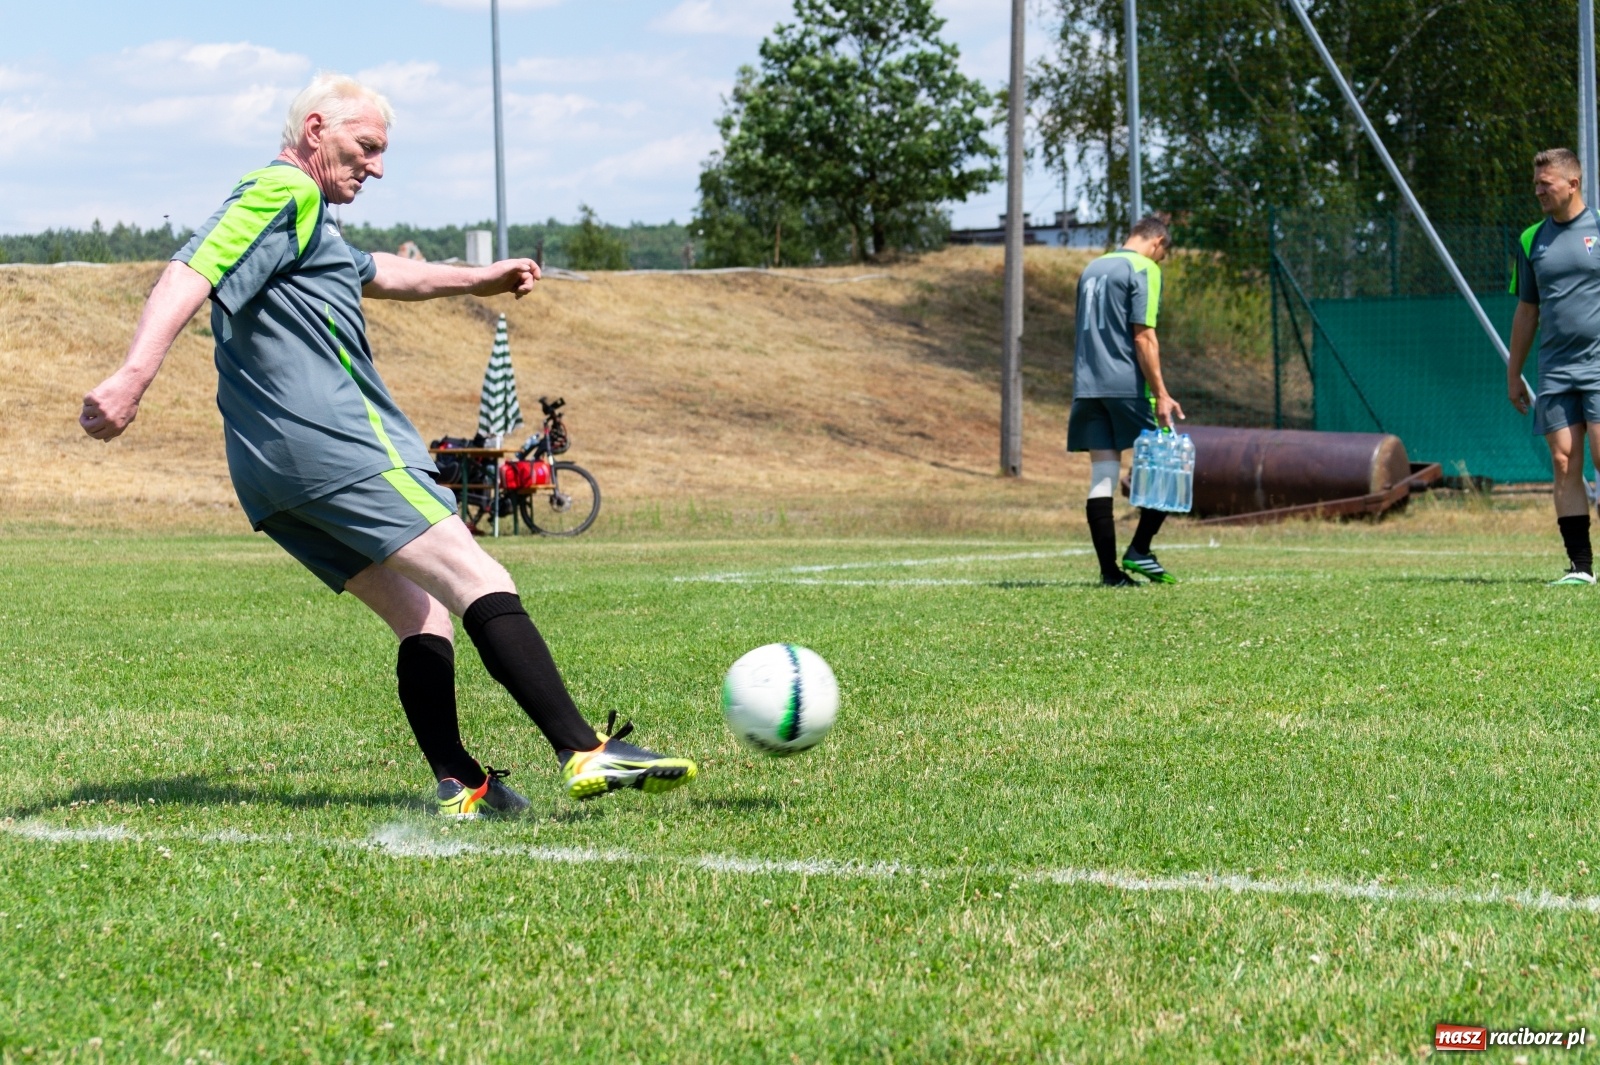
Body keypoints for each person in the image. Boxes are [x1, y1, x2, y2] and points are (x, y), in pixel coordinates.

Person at [78, 73, 696, 816]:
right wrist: (132, 375)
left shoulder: (309, 224)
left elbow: (384, 272)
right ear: (315, 131)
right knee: (474, 571)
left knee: (423, 613)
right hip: (338, 445)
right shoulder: (284, 193)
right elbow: (190, 269)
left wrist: (481, 278)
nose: (376, 166)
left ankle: (461, 784)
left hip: (271, 473)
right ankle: (583, 748)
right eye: (365, 147)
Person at [1066, 215, 1184, 586]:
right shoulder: (1143, 267)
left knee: (1102, 476)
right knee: (1170, 467)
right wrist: (1162, 394)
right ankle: (1140, 550)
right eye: (1162, 254)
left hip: (1088, 386)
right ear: (1157, 242)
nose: (1160, 260)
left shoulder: (1092, 267)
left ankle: (1110, 574)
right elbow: (1143, 337)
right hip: (1127, 387)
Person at [1508, 148, 1600, 586]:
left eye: (1546, 183)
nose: (1539, 190)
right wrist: (1514, 373)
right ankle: (1581, 568)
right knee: (1564, 463)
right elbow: (1527, 311)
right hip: (1556, 370)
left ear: (1572, 183)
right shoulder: (1531, 239)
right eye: (1536, 184)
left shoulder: (1599, 227)